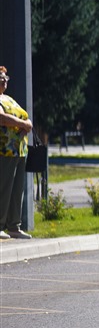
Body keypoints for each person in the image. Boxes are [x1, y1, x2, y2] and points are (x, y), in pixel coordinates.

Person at [0, 66, 33, 240]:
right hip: (4, 150)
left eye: (6, 78)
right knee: (3, 188)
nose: (4, 81)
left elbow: (25, 116)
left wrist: (27, 123)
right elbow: (2, 118)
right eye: (1, 78)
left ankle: (14, 226)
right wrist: (22, 125)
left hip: (19, 150)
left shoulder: (9, 99)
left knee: (16, 189)